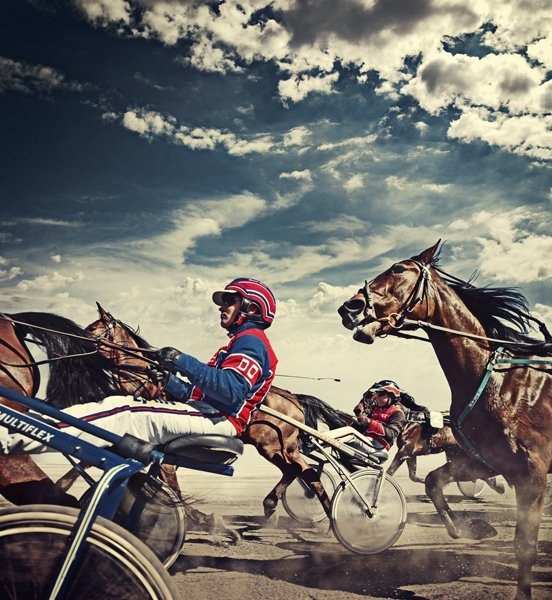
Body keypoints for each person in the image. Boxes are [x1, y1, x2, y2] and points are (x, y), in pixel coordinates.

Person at [0, 277, 278, 454]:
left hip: (219, 419)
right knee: (114, 406)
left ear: (252, 308)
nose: (222, 306)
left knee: (124, 411)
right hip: (208, 412)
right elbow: (200, 394)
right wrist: (168, 381)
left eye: (230, 300)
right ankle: (22, 428)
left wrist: (181, 360)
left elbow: (230, 392)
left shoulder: (251, 341)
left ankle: (12, 439)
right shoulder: (241, 341)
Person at [325, 379, 407, 457]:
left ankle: (321, 439)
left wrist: (369, 421)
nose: (377, 397)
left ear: (391, 396)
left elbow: (391, 435)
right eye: (376, 394)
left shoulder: (398, 413)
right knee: (346, 427)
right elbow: (363, 428)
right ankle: (321, 440)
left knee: (349, 432)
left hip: (379, 447)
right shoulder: (375, 409)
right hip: (367, 441)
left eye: (380, 394)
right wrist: (347, 419)